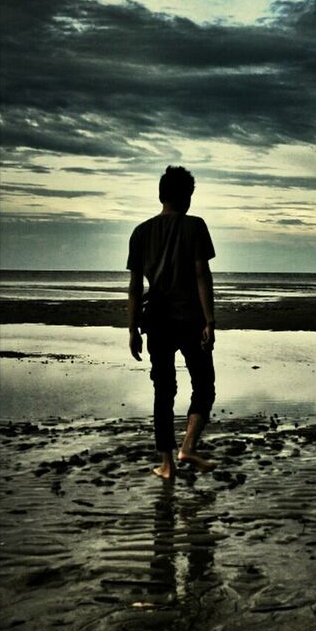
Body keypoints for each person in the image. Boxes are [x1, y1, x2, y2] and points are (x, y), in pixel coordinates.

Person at [127, 166, 216, 479]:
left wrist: (132, 328)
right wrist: (210, 320)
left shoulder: (140, 232)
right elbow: (201, 275)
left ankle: (166, 465)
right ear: (188, 197)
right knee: (204, 386)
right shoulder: (195, 226)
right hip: (191, 319)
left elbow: (136, 286)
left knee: (163, 391)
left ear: (161, 194)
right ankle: (187, 447)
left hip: (157, 322)